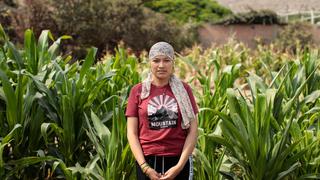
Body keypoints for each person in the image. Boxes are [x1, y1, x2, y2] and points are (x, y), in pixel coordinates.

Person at [126, 41, 198, 180]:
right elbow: (132, 133)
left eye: (166, 60)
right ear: (149, 63)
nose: (161, 65)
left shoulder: (184, 90)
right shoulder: (138, 91)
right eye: (156, 60)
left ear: (173, 63)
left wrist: (179, 167)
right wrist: (145, 167)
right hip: (147, 160)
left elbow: (193, 130)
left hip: (178, 159)